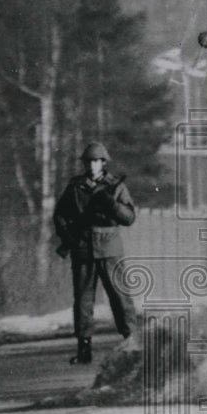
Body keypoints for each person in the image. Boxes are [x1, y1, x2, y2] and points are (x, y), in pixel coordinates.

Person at [53, 141, 137, 364]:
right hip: (83, 248)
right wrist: (69, 239)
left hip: (109, 248)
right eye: (89, 161)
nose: (92, 166)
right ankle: (84, 347)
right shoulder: (75, 187)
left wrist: (110, 204)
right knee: (83, 301)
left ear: (103, 163)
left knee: (121, 298)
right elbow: (60, 216)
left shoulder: (115, 186)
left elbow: (129, 217)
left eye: (97, 161)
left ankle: (132, 340)